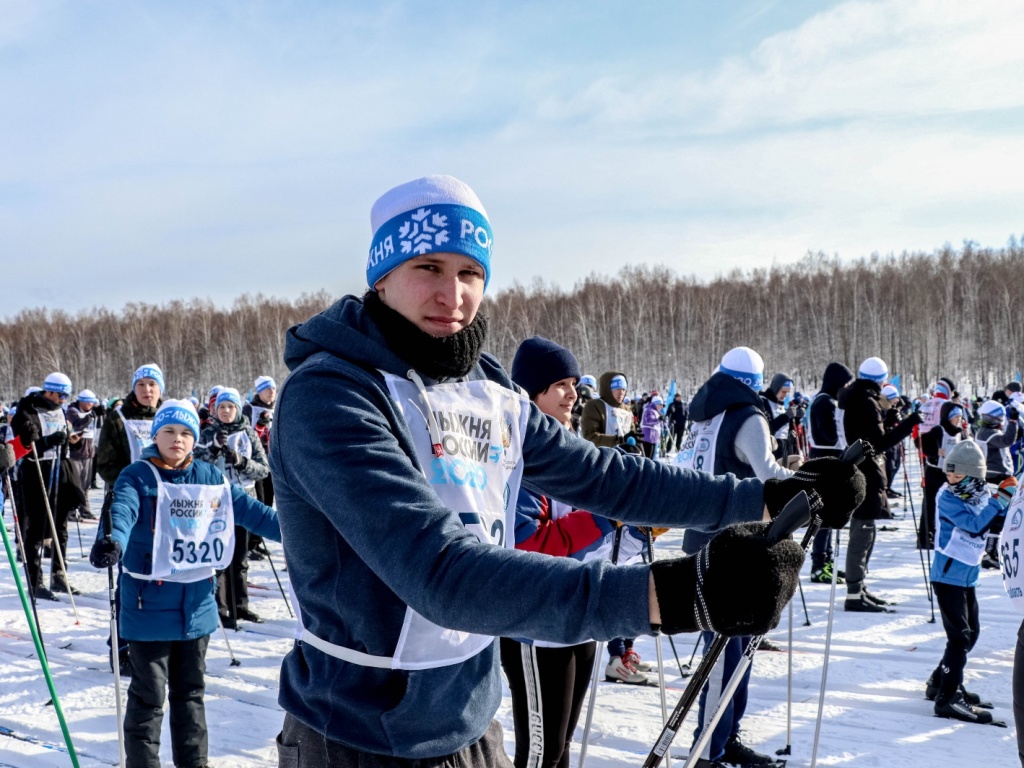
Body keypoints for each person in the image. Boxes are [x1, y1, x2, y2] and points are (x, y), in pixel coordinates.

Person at [267, 175, 865, 767]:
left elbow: (608, 477)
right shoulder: (332, 395)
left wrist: (770, 495)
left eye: (470, 272)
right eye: (428, 268)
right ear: (382, 274)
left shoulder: (487, 385)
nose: (453, 296)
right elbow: (440, 574)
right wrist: (676, 595)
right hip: (354, 734)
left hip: (470, 720)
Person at [88, 399, 281, 768]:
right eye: (170, 431)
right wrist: (114, 541)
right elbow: (123, 509)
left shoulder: (209, 477)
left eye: (186, 433)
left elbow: (250, 511)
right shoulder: (138, 475)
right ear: (156, 435)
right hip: (148, 605)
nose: (178, 439)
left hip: (197, 608)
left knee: (191, 694)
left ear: (195, 439)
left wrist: (299, 532)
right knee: (148, 696)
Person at [500, 336, 627, 767]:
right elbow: (530, 545)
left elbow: (597, 541)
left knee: (561, 750)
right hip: (535, 623)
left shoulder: (572, 451)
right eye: (560, 384)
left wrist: (632, 528)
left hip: (579, 614)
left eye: (574, 383)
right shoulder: (520, 457)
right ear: (533, 393)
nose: (573, 393)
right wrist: (602, 517)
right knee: (541, 755)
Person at [677, 347, 800, 768]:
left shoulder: (703, 413)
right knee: (726, 654)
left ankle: (724, 739)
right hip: (734, 544)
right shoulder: (747, 414)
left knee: (738, 648)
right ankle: (708, 749)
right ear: (755, 381)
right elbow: (767, 473)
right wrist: (809, 478)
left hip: (708, 537)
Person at [924, 440, 1011, 724]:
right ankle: (947, 699)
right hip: (947, 575)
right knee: (959, 638)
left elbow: (993, 522)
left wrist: (1009, 501)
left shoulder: (981, 494)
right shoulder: (946, 497)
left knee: (970, 634)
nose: (950, 479)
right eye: (949, 474)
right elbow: (974, 525)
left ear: (974, 474)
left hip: (968, 575)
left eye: (957, 475)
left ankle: (941, 682)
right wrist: (999, 501)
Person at [95, 362, 166, 674]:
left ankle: (152, 643)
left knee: (160, 576)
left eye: (153, 385)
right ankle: (121, 646)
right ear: (134, 388)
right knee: (129, 577)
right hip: (127, 503)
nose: (147, 391)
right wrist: (133, 481)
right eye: (142, 385)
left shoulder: (170, 415)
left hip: (164, 507)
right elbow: (104, 464)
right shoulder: (117, 416)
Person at [839, 357, 921, 612]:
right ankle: (854, 592)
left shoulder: (859, 398)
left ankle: (859, 587)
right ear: (880, 380)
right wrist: (908, 424)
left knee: (866, 531)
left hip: (861, 471)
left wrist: (889, 419)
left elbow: (869, 436)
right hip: (865, 473)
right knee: (862, 533)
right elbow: (877, 444)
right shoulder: (866, 401)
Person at [194, 386, 270, 627]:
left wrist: (242, 462)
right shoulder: (207, 432)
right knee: (220, 557)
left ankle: (241, 606)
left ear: (237, 409)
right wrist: (213, 450)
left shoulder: (248, 432)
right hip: (216, 500)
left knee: (240, 558)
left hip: (244, 498)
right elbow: (196, 465)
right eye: (221, 407)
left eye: (230, 407)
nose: (226, 411)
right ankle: (221, 608)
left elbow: (263, 469)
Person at [9, 372, 86, 600]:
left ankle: (59, 576)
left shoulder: (59, 410)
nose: (64, 399)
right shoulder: (28, 409)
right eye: (60, 395)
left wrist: (71, 438)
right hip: (36, 472)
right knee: (36, 529)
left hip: (61, 470)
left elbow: (64, 434)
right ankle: (35, 581)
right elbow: (25, 443)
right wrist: (48, 441)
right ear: (49, 391)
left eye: (66, 395)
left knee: (60, 526)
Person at [806, 362, 853, 584]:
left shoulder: (829, 401)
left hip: (830, 459)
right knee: (824, 515)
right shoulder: (823, 402)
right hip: (824, 459)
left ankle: (826, 560)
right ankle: (818, 565)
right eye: (844, 384)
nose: (846, 388)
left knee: (831, 514)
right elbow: (828, 436)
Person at [919, 380, 963, 550]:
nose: (958, 420)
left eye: (960, 417)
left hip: (951, 473)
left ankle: (944, 533)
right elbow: (921, 442)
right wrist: (935, 451)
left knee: (949, 504)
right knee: (930, 504)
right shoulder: (939, 429)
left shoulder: (959, 432)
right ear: (949, 417)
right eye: (956, 417)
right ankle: (924, 537)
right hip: (935, 471)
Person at [66, 388, 103, 521]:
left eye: (93, 403)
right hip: (75, 453)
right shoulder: (72, 411)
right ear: (82, 402)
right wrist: (89, 418)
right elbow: (77, 425)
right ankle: (70, 511)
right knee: (74, 484)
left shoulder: (90, 412)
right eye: (89, 403)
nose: (91, 405)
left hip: (88, 452)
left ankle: (84, 509)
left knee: (85, 483)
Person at [580, 371, 634, 447]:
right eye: (617, 388)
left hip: (624, 456)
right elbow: (590, 436)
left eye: (623, 389)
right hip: (601, 456)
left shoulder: (627, 410)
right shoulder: (595, 406)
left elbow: (631, 433)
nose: (621, 393)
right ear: (607, 388)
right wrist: (617, 440)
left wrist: (635, 438)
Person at [641, 395, 665, 459]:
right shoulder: (649, 410)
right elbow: (649, 421)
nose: (661, 407)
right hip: (648, 437)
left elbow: (658, 423)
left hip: (653, 438)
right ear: (656, 403)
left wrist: (662, 420)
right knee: (648, 456)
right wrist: (658, 419)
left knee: (652, 457)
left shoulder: (655, 411)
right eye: (660, 404)